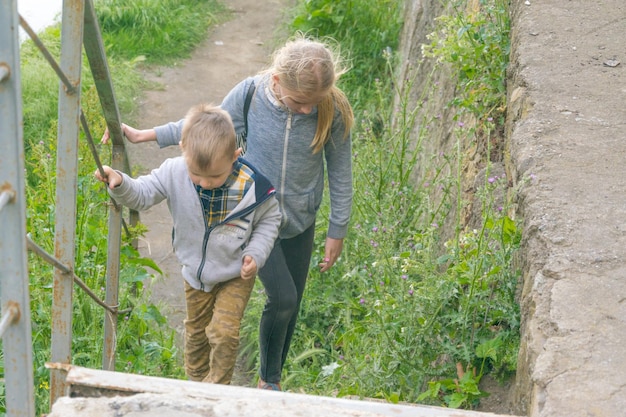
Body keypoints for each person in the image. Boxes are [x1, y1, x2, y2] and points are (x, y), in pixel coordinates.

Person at [103, 34, 354, 391]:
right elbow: (208, 129)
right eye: (300, 102)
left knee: (290, 304)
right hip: (252, 215)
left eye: (314, 103)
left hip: (300, 219)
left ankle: (269, 379)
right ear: (278, 82)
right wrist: (148, 135)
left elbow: (341, 171)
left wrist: (337, 228)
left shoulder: (331, 109)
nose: (306, 110)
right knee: (281, 297)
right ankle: (268, 381)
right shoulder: (251, 95)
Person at [96, 104, 281, 385]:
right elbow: (143, 194)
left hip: (235, 273)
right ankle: (195, 384)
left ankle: (218, 389)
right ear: (183, 148)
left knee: (223, 332)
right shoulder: (175, 172)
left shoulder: (252, 187)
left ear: (235, 156)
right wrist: (120, 182)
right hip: (194, 274)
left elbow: (270, 219)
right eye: (197, 175)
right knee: (196, 334)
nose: (206, 183)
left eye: (216, 176)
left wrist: (256, 253)